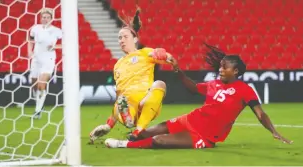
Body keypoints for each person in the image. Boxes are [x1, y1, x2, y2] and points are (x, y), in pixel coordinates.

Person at [104, 44, 293, 149]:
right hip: (190, 119)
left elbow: (260, 114)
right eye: (220, 66)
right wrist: (178, 70)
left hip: (204, 136)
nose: (220, 70)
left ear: (235, 71)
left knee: (159, 141)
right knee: (143, 132)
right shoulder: (213, 84)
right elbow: (193, 88)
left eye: (224, 67)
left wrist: (273, 131)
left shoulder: (245, 90)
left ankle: (123, 144)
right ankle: (130, 127)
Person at [89, 8, 174, 143]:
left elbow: (169, 59)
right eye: (119, 38)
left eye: (125, 37)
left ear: (135, 39)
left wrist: (165, 55)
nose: (121, 40)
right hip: (128, 105)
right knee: (121, 101)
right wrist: (108, 125)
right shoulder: (118, 65)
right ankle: (130, 121)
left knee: (160, 84)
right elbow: (119, 98)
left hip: (146, 102)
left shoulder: (145, 53)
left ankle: (137, 129)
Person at [28, 8, 62, 119]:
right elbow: (30, 39)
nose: (45, 19)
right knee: (33, 83)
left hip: (49, 59)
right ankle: (39, 102)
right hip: (36, 59)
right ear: (40, 18)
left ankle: (38, 111)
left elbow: (67, 43)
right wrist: (29, 51)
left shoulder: (57, 31)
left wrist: (55, 46)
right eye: (43, 17)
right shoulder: (35, 29)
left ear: (51, 19)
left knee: (41, 84)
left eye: (48, 17)